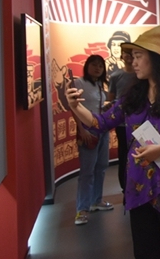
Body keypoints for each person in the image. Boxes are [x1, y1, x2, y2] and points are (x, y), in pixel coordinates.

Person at [66, 26, 160, 259]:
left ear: (156, 59)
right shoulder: (133, 94)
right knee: (144, 250)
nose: (133, 62)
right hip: (138, 186)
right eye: (132, 57)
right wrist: (75, 107)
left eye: (138, 56)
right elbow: (101, 122)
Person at [72, 54, 112, 225]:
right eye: (94, 65)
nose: (97, 68)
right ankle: (82, 209)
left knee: (101, 166)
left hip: (102, 130)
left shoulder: (100, 85)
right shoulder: (79, 83)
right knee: (87, 171)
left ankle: (97, 200)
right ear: (87, 66)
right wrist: (81, 129)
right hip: (88, 130)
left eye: (100, 66)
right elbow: (74, 108)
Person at [107, 49, 137, 194]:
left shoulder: (141, 75)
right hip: (121, 123)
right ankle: (124, 188)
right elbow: (110, 99)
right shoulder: (115, 76)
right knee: (124, 154)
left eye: (132, 52)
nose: (129, 55)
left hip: (140, 122)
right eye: (126, 52)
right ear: (121, 55)